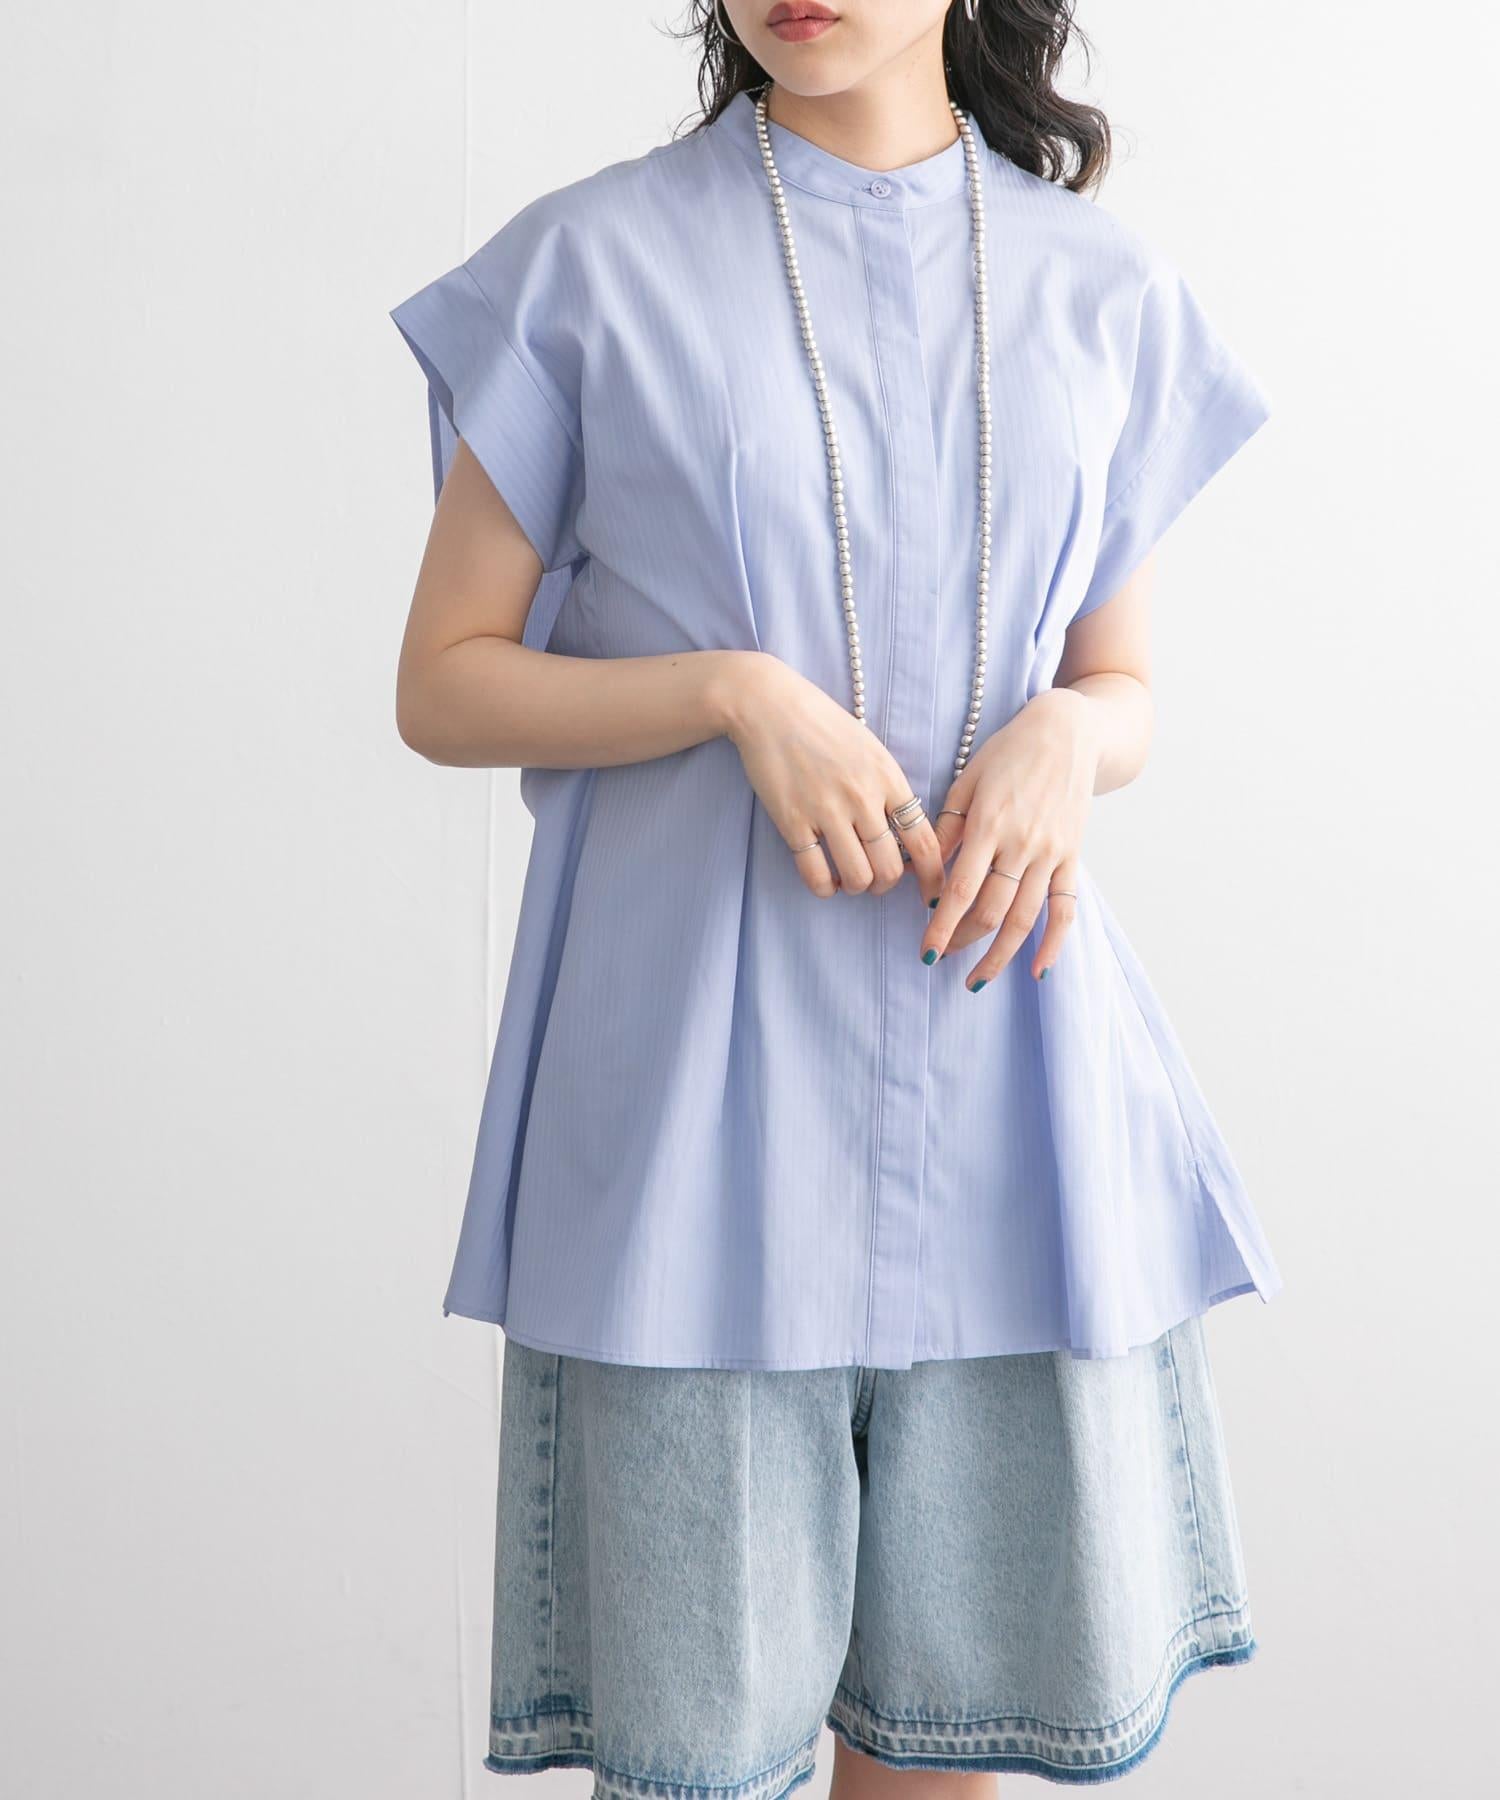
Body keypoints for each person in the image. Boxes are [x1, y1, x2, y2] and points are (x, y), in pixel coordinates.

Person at [388, 1, 1283, 1791]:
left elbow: (1122, 684)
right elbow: (444, 684)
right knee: (693, 1762)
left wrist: (1069, 736)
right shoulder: (591, 265)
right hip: (689, 1138)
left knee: (948, 1743)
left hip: (1010, 1094)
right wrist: (731, 695)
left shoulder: (1096, 285)